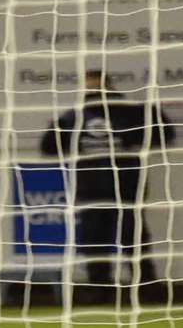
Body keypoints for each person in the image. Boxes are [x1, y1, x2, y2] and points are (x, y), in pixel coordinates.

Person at [38, 69, 175, 301]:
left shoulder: (129, 113)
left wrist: (146, 118)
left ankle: (147, 287)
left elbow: (164, 133)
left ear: (109, 86)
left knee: (133, 238)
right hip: (90, 188)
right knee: (94, 241)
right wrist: (57, 127)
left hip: (126, 187)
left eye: (97, 86)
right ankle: (99, 288)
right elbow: (49, 146)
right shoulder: (75, 116)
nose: (93, 91)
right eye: (89, 87)